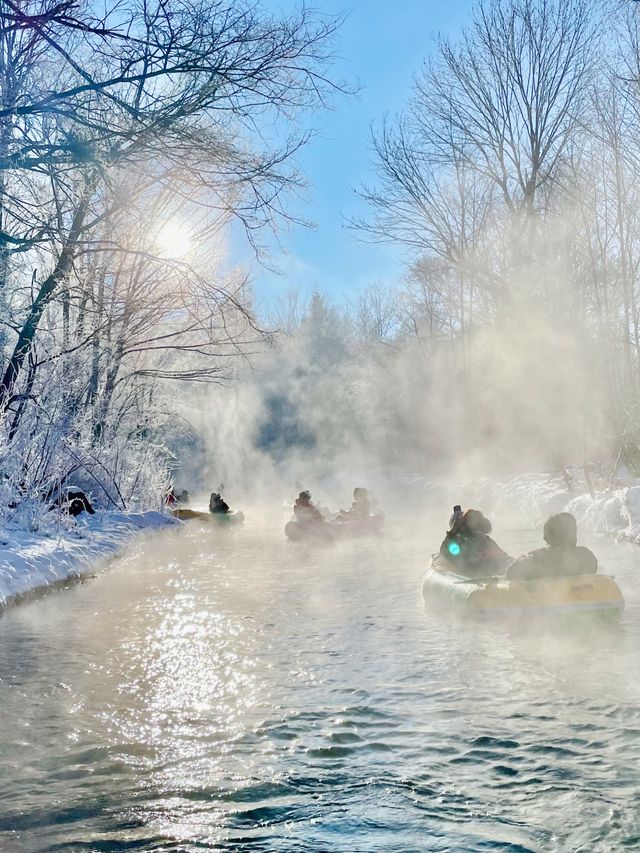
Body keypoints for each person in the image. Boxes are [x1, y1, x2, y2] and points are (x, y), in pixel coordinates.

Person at [506, 512, 597, 581]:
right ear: (573, 535)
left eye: (546, 534)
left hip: (549, 600)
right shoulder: (586, 555)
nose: (544, 538)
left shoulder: (539, 557)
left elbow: (511, 572)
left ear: (548, 538)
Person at [439, 507, 511, 577]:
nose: (475, 525)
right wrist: (453, 532)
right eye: (470, 521)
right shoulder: (458, 543)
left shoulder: (485, 540)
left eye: (477, 522)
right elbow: (446, 552)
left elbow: (503, 556)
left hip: (495, 572)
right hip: (477, 576)